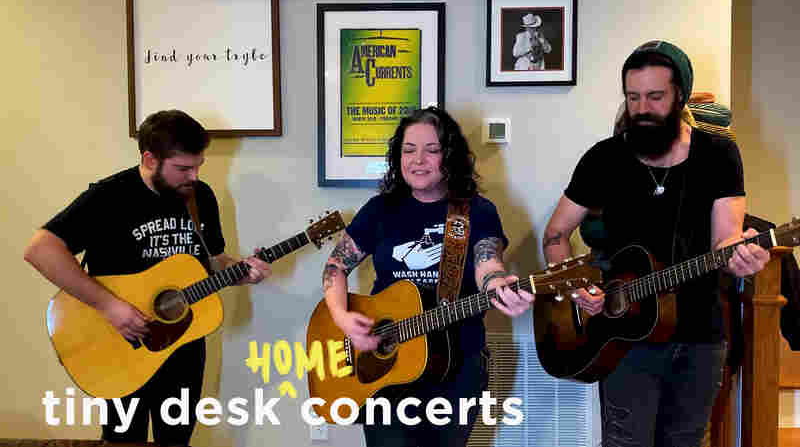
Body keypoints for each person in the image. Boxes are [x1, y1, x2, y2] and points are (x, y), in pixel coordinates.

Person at [542, 40, 770, 447]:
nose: (642, 109)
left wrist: (743, 257)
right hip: (625, 337)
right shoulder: (604, 159)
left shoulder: (719, 156)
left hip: (701, 333)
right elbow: (556, 236)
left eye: (655, 97)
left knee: (686, 440)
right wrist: (575, 286)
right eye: (633, 97)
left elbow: (726, 239)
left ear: (679, 95)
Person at [24, 110, 270, 446]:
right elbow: (40, 249)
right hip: (120, 342)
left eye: (198, 165)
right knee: (125, 438)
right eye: (183, 168)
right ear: (150, 158)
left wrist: (242, 271)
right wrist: (111, 307)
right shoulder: (109, 196)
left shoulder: (201, 197)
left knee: (177, 439)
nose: (193, 176)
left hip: (183, 344)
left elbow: (210, 261)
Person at [322, 106, 534, 446]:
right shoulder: (380, 210)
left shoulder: (476, 211)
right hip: (387, 368)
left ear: (449, 156)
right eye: (409, 150)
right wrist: (341, 316)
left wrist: (497, 285)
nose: (418, 160)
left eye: (431, 150)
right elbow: (335, 266)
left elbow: (487, 263)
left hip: (455, 364)